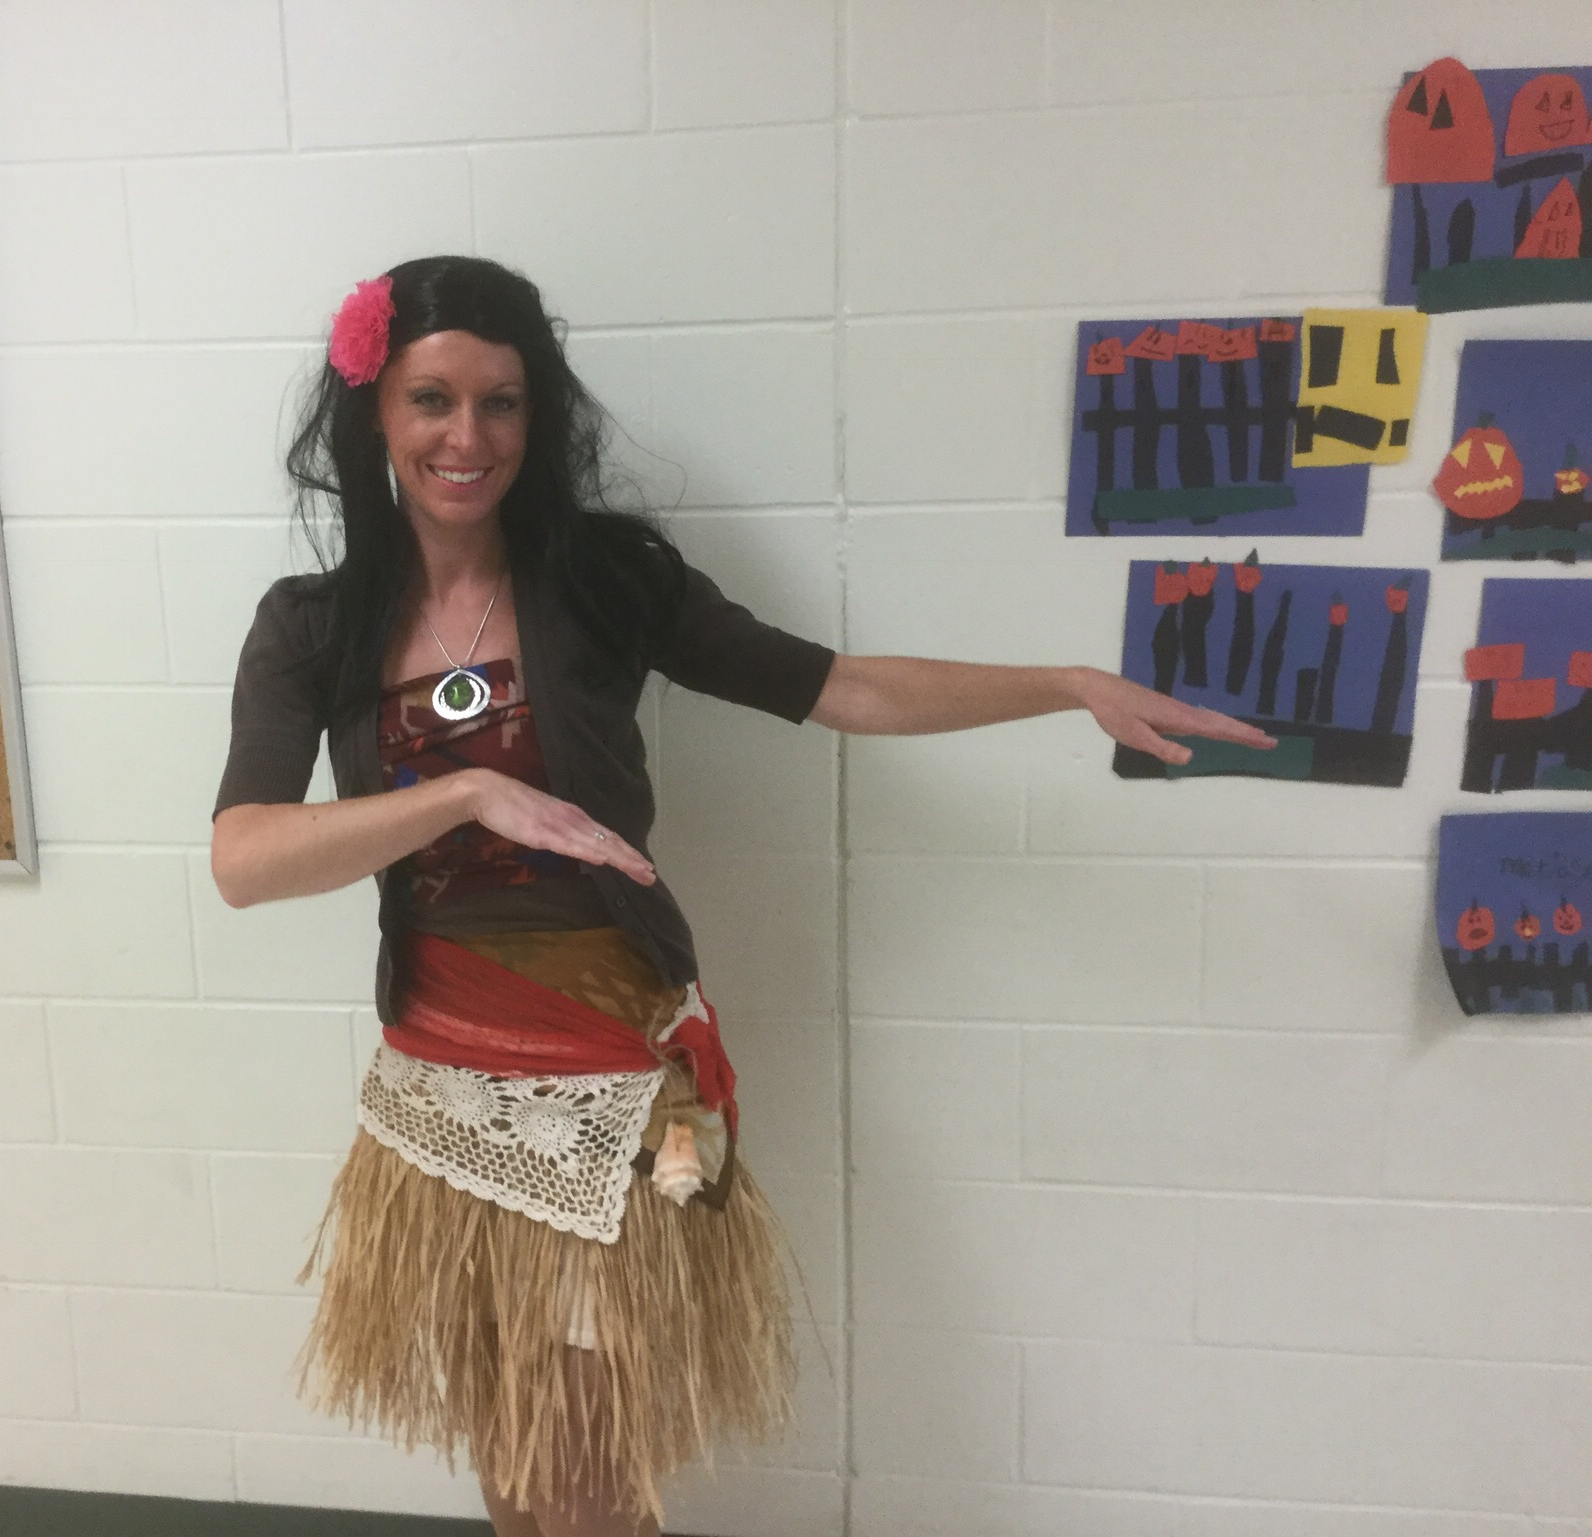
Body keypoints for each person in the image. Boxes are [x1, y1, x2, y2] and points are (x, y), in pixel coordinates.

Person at [208, 255, 1270, 1537]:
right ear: (375, 410)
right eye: (432, 399)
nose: (467, 437)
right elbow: (247, 858)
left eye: (502, 401)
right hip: (441, 1087)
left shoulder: (605, 580)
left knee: (589, 1488)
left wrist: (1062, 684)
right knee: (518, 1468)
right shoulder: (313, 625)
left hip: (612, 1080)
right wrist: (464, 794)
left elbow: (841, 686)